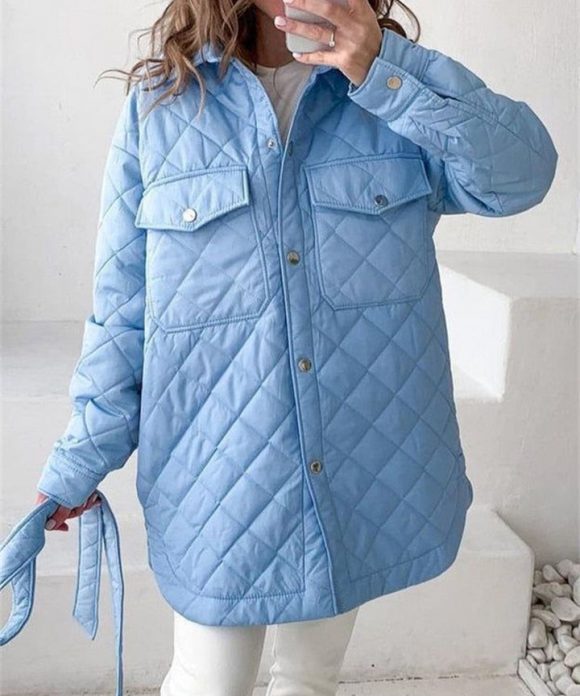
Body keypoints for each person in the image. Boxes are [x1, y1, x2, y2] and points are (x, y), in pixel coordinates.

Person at [33, 0, 558, 693]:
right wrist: (81, 455)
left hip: (355, 464)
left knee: (309, 681)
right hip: (219, 469)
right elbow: (122, 310)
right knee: (207, 680)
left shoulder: (394, 94)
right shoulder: (161, 108)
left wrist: (384, 67)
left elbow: (522, 174)